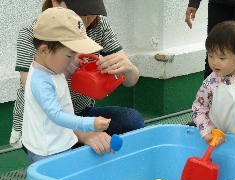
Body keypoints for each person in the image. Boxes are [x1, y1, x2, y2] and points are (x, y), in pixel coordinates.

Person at [10, 0, 145, 155]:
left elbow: (131, 81)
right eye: (81, 12)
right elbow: (49, 110)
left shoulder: (98, 26)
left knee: (131, 120)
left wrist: (127, 68)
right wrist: (85, 134)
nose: (86, 21)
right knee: (61, 160)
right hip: (43, 124)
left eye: (92, 12)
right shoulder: (36, 35)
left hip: (79, 113)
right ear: (55, 2)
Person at [23, 7, 111, 161]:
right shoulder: (40, 81)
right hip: (47, 148)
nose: (72, 60)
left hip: (60, 138)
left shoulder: (50, 67)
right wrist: (90, 123)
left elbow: (59, 76)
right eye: (69, 56)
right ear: (44, 50)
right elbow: (56, 115)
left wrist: (72, 66)